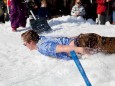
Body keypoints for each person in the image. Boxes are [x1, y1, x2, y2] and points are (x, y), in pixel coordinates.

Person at [21, 30, 115, 60]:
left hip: (84, 43)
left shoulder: (43, 47)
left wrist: (81, 50)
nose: (25, 46)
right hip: (82, 39)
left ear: (31, 42)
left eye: (25, 44)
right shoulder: (42, 38)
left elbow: (62, 48)